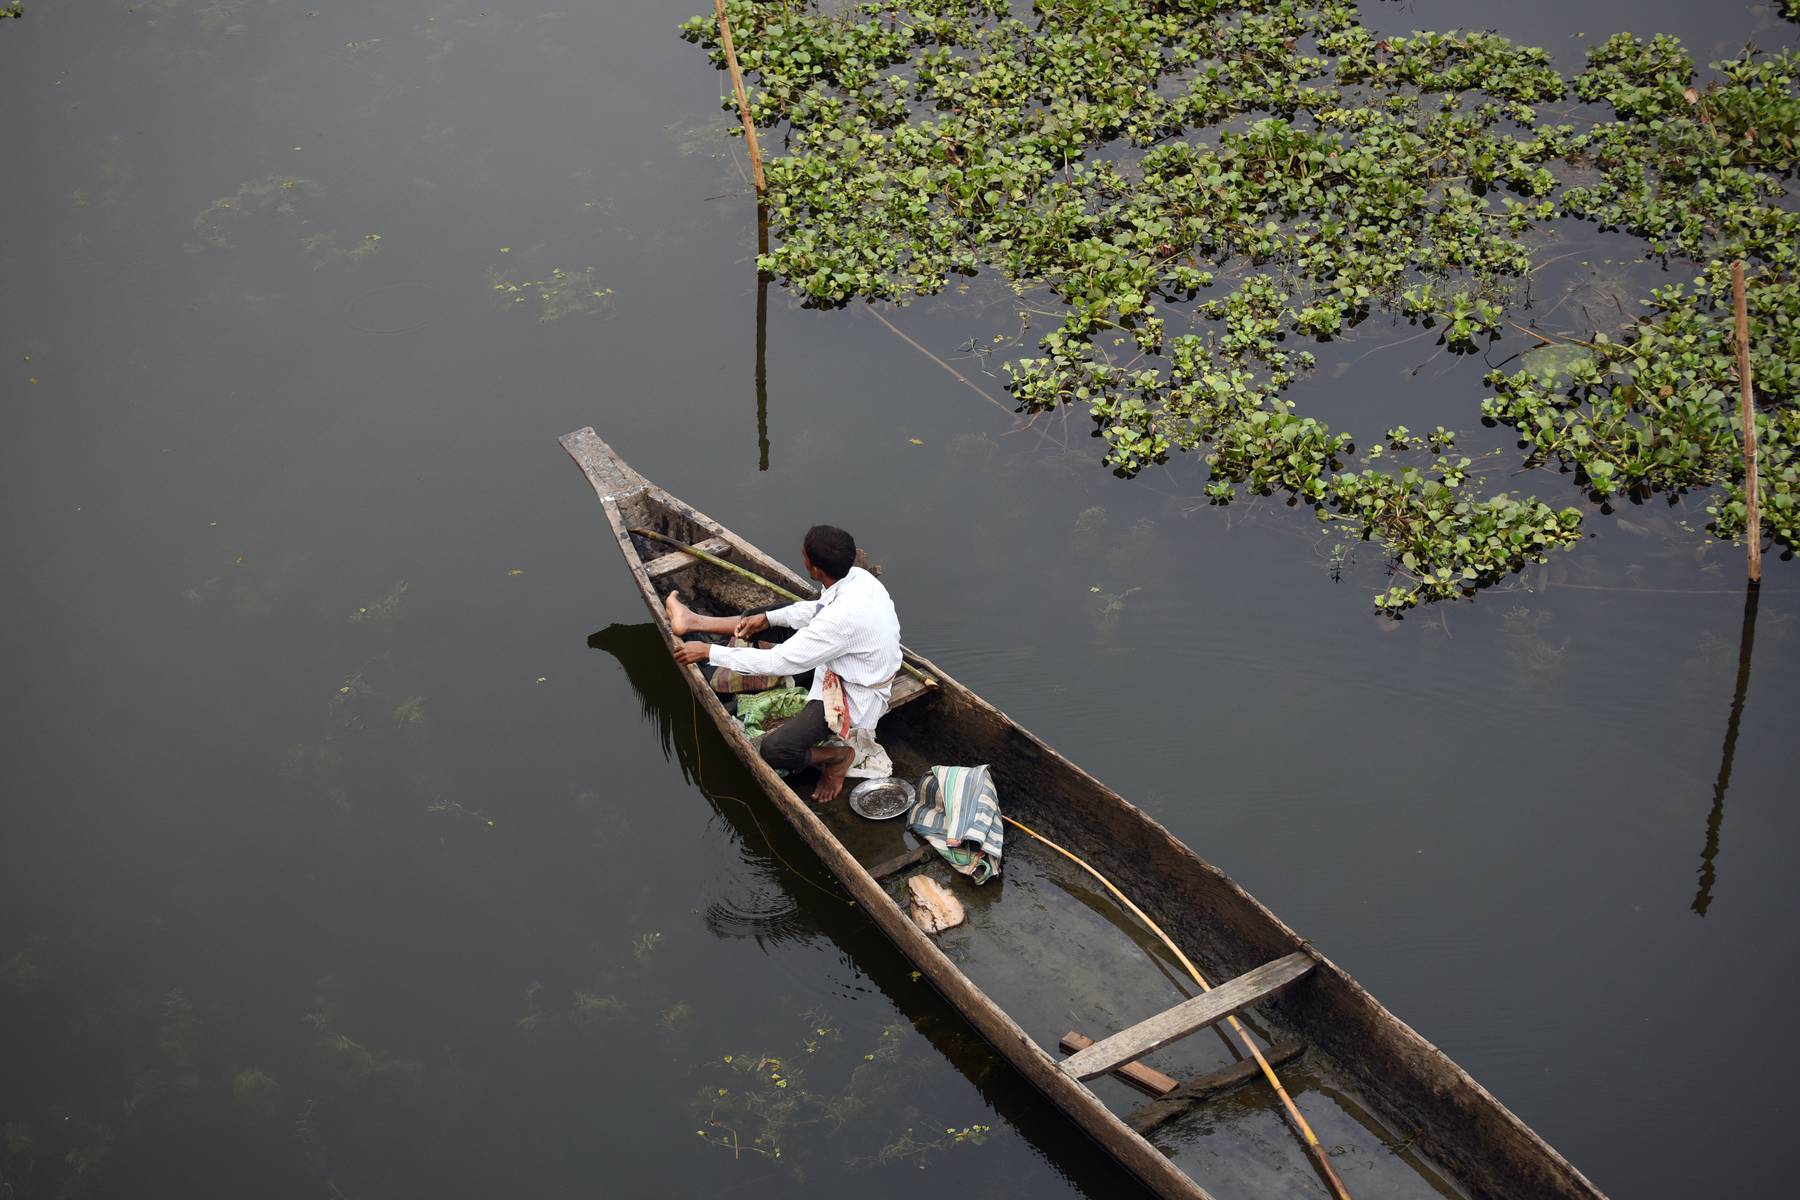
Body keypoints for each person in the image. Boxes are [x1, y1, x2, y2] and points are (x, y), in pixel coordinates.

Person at [667, 524, 900, 804]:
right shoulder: (859, 578)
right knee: (767, 615)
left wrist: (709, 652)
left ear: (814, 569)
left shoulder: (838, 621)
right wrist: (767, 619)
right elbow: (815, 611)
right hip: (855, 660)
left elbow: (777, 662)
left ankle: (838, 758)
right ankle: (693, 621)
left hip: (853, 692)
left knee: (776, 750)